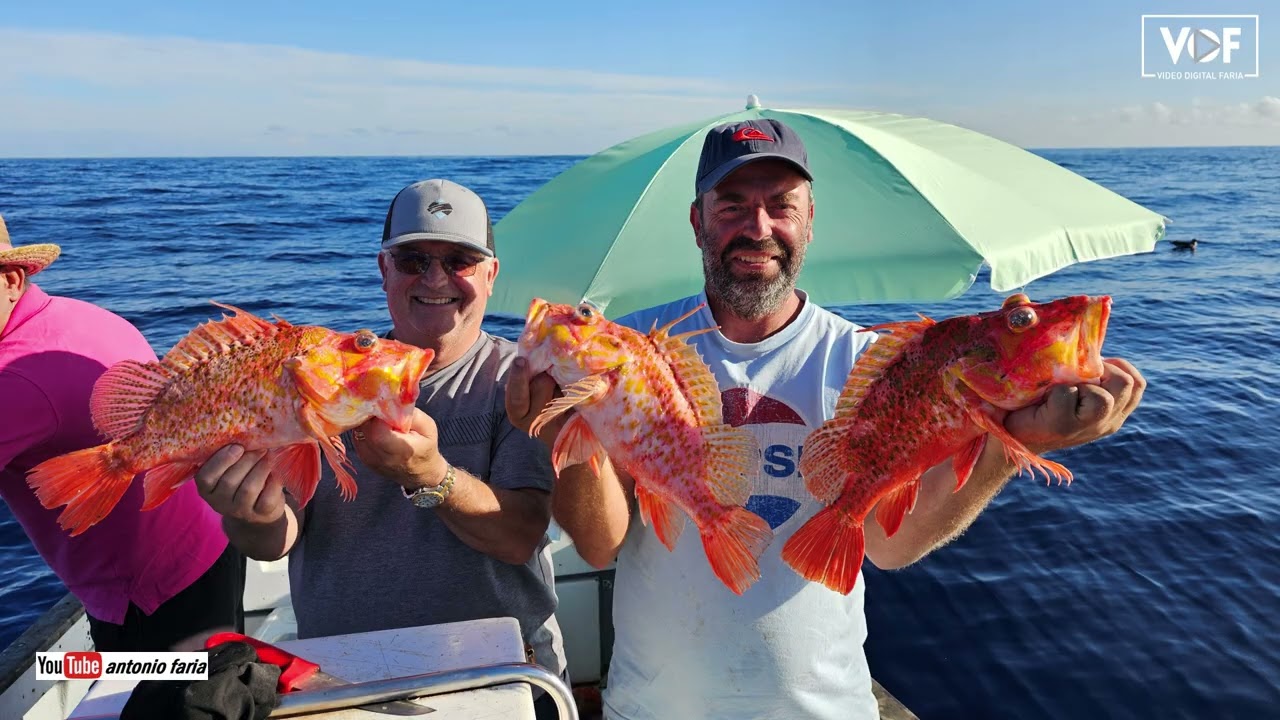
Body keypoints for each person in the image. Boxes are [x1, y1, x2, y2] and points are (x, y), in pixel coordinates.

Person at [505, 119, 1147, 719]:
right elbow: (597, 544)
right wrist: (571, 425)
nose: (758, 227)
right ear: (698, 222)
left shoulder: (867, 363)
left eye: (781, 204)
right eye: (731, 206)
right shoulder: (635, 347)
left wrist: (1009, 446)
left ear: (810, 222)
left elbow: (891, 547)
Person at [191, 179, 569, 719]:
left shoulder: (523, 382)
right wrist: (252, 513)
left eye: (459, 259)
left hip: (497, 675)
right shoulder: (324, 376)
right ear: (383, 269)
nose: (435, 278)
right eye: (413, 259)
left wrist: (429, 474)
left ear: (491, 274)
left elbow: (519, 536)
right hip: (343, 678)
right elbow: (274, 541)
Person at [0, 213, 244, 652]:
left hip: (148, 597)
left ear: (12, 279)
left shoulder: (13, 382)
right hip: (210, 541)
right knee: (221, 687)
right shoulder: (75, 315)